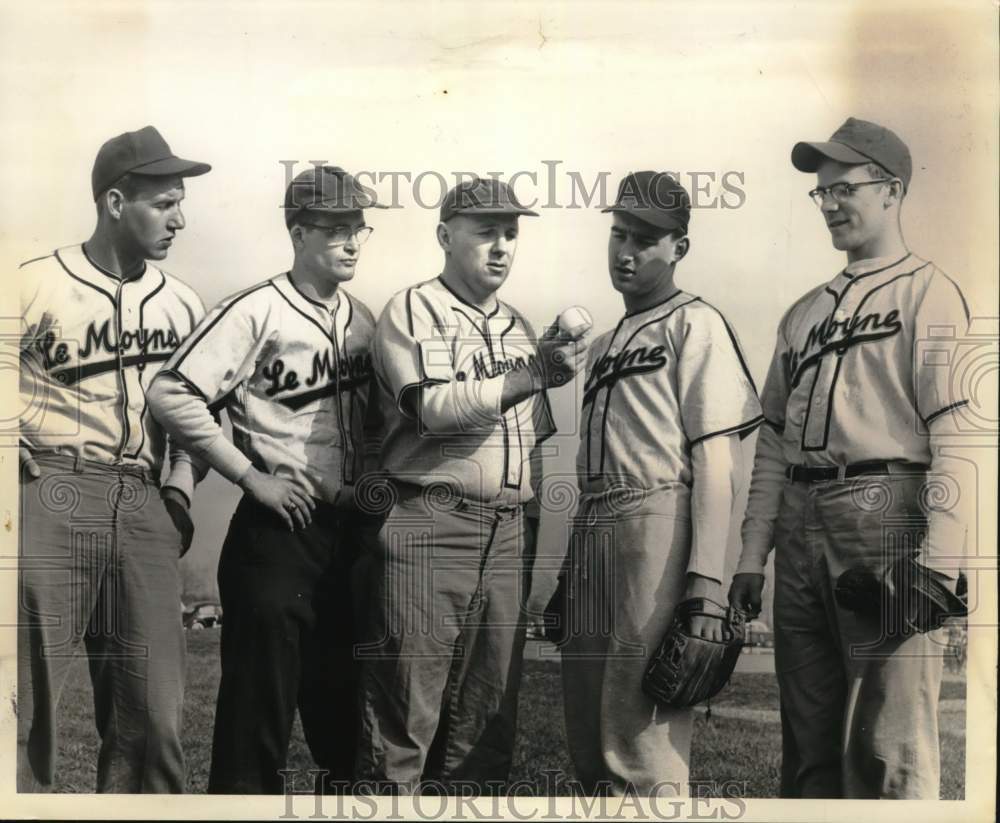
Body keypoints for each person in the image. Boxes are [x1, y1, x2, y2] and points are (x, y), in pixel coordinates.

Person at [729, 117, 971, 799]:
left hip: (884, 509)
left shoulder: (929, 291)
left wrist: (940, 562)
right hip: (799, 518)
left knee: (885, 747)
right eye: (821, 192)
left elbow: (959, 437)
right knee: (806, 745)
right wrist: (752, 554)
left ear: (891, 190)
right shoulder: (802, 312)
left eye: (845, 188)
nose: (830, 203)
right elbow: (772, 446)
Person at [147, 165, 384, 793]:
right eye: (335, 228)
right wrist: (250, 476)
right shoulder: (254, 309)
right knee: (257, 728)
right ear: (299, 231)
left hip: (346, 535)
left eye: (358, 227)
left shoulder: (365, 319)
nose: (352, 241)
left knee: (347, 734)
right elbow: (170, 393)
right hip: (276, 533)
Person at [354, 177, 588, 791]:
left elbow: (534, 445)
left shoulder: (518, 325)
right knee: (404, 720)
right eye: (485, 231)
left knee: (488, 724)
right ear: (444, 236)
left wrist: (528, 531)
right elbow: (428, 410)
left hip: (506, 533)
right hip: (429, 517)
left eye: (511, 232)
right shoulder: (410, 310)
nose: (502, 245)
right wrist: (530, 374)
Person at [17, 125, 211, 792]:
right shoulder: (32, 282)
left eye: (182, 202)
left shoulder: (184, 304)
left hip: (144, 496)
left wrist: (180, 495)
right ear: (115, 201)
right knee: (25, 705)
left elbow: (197, 424)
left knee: (153, 720)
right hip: (51, 489)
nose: (180, 219)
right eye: (165, 203)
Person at [558, 171, 762, 796]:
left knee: (641, 741)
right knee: (587, 740)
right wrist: (570, 567)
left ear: (679, 247)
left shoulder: (695, 323)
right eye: (618, 232)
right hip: (595, 522)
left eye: (645, 239)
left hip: (657, 518)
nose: (625, 250)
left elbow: (717, 461)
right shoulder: (598, 346)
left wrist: (706, 582)